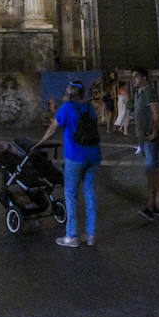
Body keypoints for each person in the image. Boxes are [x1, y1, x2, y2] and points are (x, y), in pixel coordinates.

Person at [38, 80, 102, 247]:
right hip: (94, 155)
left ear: (68, 93)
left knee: (71, 195)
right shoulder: (90, 108)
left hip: (75, 157)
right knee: (90, 194)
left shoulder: (67, 107)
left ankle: (72, 236)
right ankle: (91, 235)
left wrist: (40, 142)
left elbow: (53, 128)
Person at [131, 68, 159, 220]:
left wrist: (154, 132)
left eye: (136, 77)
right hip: (144, 139)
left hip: (151, 139)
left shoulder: (149, 92)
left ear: (144, 78)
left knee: (151, 172)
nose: (133, 80)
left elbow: (156, 114)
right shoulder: (138, 94)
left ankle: (150, 207)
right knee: (153, 172)